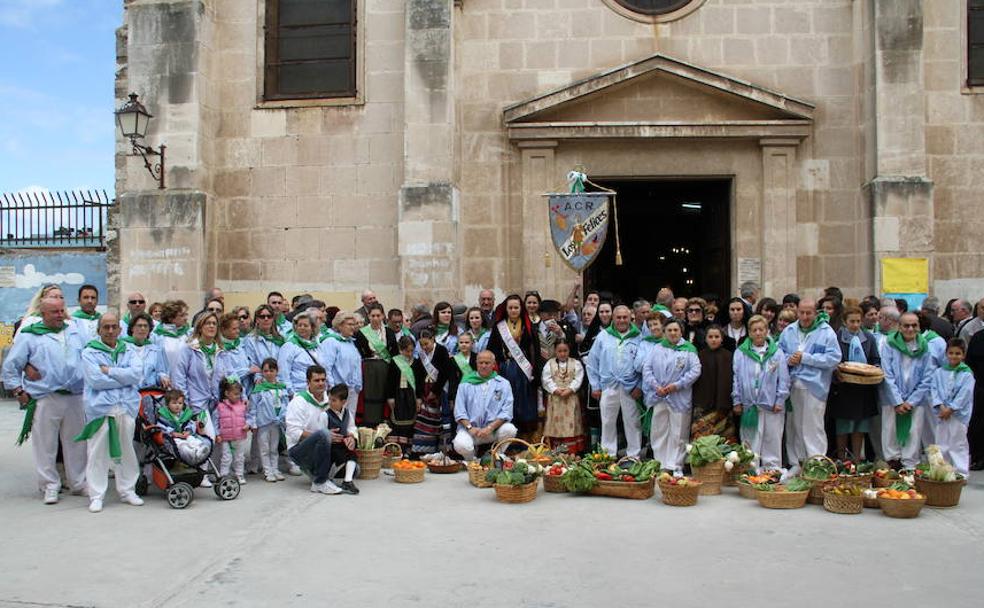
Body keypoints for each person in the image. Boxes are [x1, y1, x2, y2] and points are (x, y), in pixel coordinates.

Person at [2, 297, 87, 504]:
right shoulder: (30, 336)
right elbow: (11, 365)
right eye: (54, 312)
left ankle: (78, 482)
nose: (60, 315)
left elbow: (88, 355)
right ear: (43, 314)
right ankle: (49, 485)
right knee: (46, 444)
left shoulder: (74, 331)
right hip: (47, 397)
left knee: (77, 441)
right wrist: (18, 390)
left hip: (75, 395)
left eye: (61, 311)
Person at [75, 312, 145, 513]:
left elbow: (136, 375)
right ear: (99, 330)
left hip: (126, 407)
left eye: (114, 326)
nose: (110, 331)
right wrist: (122, 377)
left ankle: (128, 490)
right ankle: (96, 495)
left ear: (120, 330)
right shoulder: (90, 352)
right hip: (101, 408)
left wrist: (110, 371)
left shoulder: (129, 350)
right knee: (98, 451)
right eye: (106, 327)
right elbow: (96, 380)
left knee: (126, 449)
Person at [777, 299, 841, 475]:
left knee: (813, 426)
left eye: (809, 313)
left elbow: (834, 358)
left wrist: (806, 358)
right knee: (795, 426)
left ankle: (817, 463)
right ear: (797, 312)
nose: (805, 317)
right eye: (802, 313)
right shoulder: (789, 331)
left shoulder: (826, 332)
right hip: (793, 384)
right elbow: (778, 352)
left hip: (815, 387)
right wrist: (788, 359)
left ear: (815, 313)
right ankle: (797, 463)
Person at [880, 312, 938, 469]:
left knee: (914, 432)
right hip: (892, 398)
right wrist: (898, 401)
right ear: (899, 327)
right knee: (890, 430)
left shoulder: (925, 346)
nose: (910, 329)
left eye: (914, 325)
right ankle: (893, 463)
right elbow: (887, 374)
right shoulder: (889, 344)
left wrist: (911, 401)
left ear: (919, 326)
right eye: (906, 325)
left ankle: (910, 466)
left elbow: (927, 376)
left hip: (916, 399)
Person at [643, 318, 701, 474]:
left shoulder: (689, 349)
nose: (673, 333)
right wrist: (656, 386)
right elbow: (647, 369)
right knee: (659, 430)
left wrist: (677, 385)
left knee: (678, 432)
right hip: (660, 396)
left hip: (679, 397)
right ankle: (660, 463)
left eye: (676, 330)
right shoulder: (657, 348)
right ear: (664, 332)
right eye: (669, 330)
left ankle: (675, 465)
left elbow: (695, 371)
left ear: (681, 331)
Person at [733, 315, 790, 472]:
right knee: (750, 438)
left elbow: (783, 379)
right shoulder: (741, 353)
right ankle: (750, 469)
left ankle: (771, 470)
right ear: (750, 333)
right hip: (749, 404)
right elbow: (736, 378)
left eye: (761, 329)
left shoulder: (777, 353)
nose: (758, 333)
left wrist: (780, 400)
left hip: (771, 404)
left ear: (767, 331)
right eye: (754, 330)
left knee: (772, 438)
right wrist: (736, 400)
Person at [587, 305, 643, 458]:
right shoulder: (603, 336)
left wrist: (640, 386)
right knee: (607, 421)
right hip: (608, 386)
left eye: (625, 317)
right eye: (618, 317)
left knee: (632, 422)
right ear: (613, 318)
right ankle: (608, 455)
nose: (622, 320)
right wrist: (595, 386)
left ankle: (634, 455)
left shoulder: (638, 336)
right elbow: (592, 362)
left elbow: (645, 364)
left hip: (630, 387)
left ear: (630, 318)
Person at [827, 306, 881, 461]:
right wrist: (837, 371)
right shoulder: (837, 337)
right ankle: (842, 458)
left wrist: (874, 370)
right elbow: (832, 359)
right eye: (852, 321)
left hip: (863, 388)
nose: (855, 325)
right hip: (843, 388)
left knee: (860, 426)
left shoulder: (869, 338)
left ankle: (856, 459)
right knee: (843, 426)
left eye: (858, 321)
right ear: (845, 322)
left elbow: (875, 359)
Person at [487, 294, 542, 439]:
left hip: (524, 372)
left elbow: (535, 350)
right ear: (506, 309)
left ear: (521, 308)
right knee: (506, 402)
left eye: (516, 307)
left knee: (523, 403)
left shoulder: (528, 326)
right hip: (505, 370)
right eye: (510, 307)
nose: (513, 310)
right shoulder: (499, 327)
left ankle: (524, 438)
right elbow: (491, 350)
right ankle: (507, 438)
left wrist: (536, 372)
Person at [284, 365, 343, 495]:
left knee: (355, 471)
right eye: (316, 380)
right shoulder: (299, 401)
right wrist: (323, 436)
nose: (321, 383)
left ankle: (320, 472)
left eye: (323, 380)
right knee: (323, 434)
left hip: (322, 447)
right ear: (308, 382)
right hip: (299, 450)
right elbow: (294, 432)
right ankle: (319, 482)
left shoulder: (329, 401)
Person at [171, 312, 222, 453]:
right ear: (200, 327)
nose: (211, 326)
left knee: (219, 439)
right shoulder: (188, 349)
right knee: (207, 437)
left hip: (216, 401)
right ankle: (203, 474)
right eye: (208, 323)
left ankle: (214, 473)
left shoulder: (220, 350)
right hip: (197, 403)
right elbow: (179, 377)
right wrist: (185, 402)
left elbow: (228, 375)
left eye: (214, 323)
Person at [452, 350, 518, 460]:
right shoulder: (465, 383)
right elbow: (459, 411)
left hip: (493, 430)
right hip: (472, 430)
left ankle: (498, 455)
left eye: (487, 363)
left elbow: (506, 412)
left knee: (510, 429)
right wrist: (470, 428)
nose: (483, 366)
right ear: (476, 363)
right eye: (480, 363)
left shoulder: (503, 384)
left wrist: (490, 427)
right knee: (460, 444)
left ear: (493, 364)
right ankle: (471, 460)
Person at [930, 339, 974, 476]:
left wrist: (952, 408)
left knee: (957, 443)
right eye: (951, 353)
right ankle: (942, 472)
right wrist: (941, 406)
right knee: (941, 443)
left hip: (958, 415)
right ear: (946, 354)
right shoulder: (939, 372)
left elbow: (964, 394)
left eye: (958, 353)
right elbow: (934, 389)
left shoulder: (967, 374)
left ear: (963, 355)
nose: (954, 356)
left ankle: (961, 472)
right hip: (941, 413)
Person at [354, 303, 398, 427]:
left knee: (383, 394)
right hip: (368, 369)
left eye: (378, 315)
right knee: (369, 395)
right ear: (368, 316)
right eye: (373, 315)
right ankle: (368, 424)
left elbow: (394, 352)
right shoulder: (362, 333)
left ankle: (382, 423)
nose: (375, 318)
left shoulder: (389, 332)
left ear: (383, 316)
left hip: (385, 368)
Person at [690, 325, 736, 442]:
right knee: (702, 440)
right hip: (703, 404)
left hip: (723, 404)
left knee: (724, 440)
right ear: (705, 339)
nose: (713, 339)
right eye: (710, 337)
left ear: (722, 339)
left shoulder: (728, 356)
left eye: (717, 336)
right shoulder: (699, 355)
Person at [411, 329, 452, 455]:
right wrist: (419, 395)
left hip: (440, 390)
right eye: (421, 344)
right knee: (424, 418)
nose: (424, 347)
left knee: (442, 419)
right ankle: (424, 451)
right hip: (425, 390)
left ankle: (444, 451)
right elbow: (417, 376)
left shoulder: (441, 351)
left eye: (426, 344)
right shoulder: (420, 354)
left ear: (433, 339)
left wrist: (435, 391)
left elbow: (445, 372)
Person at [541, 340, 584, 453]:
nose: (563, 353)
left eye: (565, 351)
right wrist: (555, 389)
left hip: (571, 399)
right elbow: (546, 379)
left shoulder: (576, 363)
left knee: (571, 423)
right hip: (556, 399)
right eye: (560, 351)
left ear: (569, 351)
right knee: (556, 425)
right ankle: (557, 451)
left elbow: (578, 378)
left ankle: (572, 452)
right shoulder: (549, 364)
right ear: (555, 351)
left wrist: (570, 389)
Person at [250, 358, 288, 482]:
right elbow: (253, 407)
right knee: (264, 448)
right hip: (263, 423)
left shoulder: (281, 387)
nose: (269, 373)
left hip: (276, 422)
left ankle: (275, 469)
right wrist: (253, 423)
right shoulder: (259, 389)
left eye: (271, 370)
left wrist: (283, 417)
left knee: (274, 448)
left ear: (277, 371)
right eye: (265, 371)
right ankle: (267, 471)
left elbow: (285, 404)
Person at [319, 311, 363, 418]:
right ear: (340, 325)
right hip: (338, 389)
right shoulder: (331, 341)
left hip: (352, 389)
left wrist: (358, 385)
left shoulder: (351, 342)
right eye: (349, 324)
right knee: (337, 418)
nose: (353, 327)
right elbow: (326, 366)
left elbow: (356, 365)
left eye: (354, 324)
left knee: (349, 418)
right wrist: (332, 387)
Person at [386, 336, 425, 453]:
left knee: (411, 422)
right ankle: (396, 450)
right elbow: (390, 381)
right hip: (398, 395)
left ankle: (409, 450)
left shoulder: (417, 363)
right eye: (407, 351)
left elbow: (419, 382)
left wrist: (419, 398)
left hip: (411, 395)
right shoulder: (395, 362)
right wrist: (390, 397)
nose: (409, 353)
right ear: (400, 350)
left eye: (412, 351)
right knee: (397, 421)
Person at [155, 389, 211, 465]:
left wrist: (188, 431)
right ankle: (192, 453)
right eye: (174, 403)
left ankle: (199, 449)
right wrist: (172, 432)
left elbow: (191, 423)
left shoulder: (184, 414)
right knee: (182, 446)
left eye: (180, 403)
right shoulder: (163, 415)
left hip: (185, 435)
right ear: (167, 404)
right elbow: (160, 426)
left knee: (192, 439)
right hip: (173, 438)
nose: (177, 405)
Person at [215, 375, 254, 484]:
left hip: (239, 436)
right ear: (227, 393)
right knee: (226, 457)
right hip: (225, 437)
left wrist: (248, 424)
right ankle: (224, 476)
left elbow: (250, 417)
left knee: (239, 457)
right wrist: (217, 434)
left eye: (239, 394)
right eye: (236, 394)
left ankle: (239, 475)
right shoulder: (220, 406)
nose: (238, 396)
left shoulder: (242, 406)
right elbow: (215, 421)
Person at [322, 384, 360, 494]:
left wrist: (351, 437)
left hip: (342, 445)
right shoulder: (325, 415)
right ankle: (334, 475)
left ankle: (347, 481)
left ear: (343, 402)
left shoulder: (348, 413)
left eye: (334, 400)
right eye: (329, 399)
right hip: (330, 447)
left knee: (352, 450)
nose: (330, 402)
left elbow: (352, 428)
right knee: (343, 453)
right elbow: (319, 433)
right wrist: (328, 436)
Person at [121, 312, 170, 390]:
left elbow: (161, 371)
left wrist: (162, 377)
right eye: (139, 326)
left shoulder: (156, 350)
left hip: (149, 393)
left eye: (146, 326)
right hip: (127, 393)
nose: (143, 329)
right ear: (132, 328)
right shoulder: (122, 347)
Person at [278, 310, 323, 395]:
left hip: (317, 392)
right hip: (298, 392)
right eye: (299, 325)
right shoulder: (289, 346)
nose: (302, 328)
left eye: (305, 325)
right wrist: (291, 393)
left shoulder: (317, 346)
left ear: (312, 328)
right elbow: (283, 372)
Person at [216, 312, 257, 396]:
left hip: (250, 390)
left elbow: (251, 362)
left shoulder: (242, 343)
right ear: (223, 329)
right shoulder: (221, 349)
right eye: (234, 329)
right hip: (234, 394)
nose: (238, 331)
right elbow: (228, 374)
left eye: (238, 328)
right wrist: (248, 371)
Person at [245, 304, 285, 387]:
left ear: (273, 319)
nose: (266, 319)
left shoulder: (280, 339)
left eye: (269, 316)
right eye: (262, 316)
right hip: (262, 383)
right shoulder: (250, 340)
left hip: (280, 382)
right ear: (257, 320)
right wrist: (258, 377)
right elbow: (252, 363)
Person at [152, 300, 191, 373]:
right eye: (182, 315)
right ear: (170, 318)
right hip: (166, 381)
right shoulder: (156, 336)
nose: (186, 318)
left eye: (186, 314)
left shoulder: (189, 334)